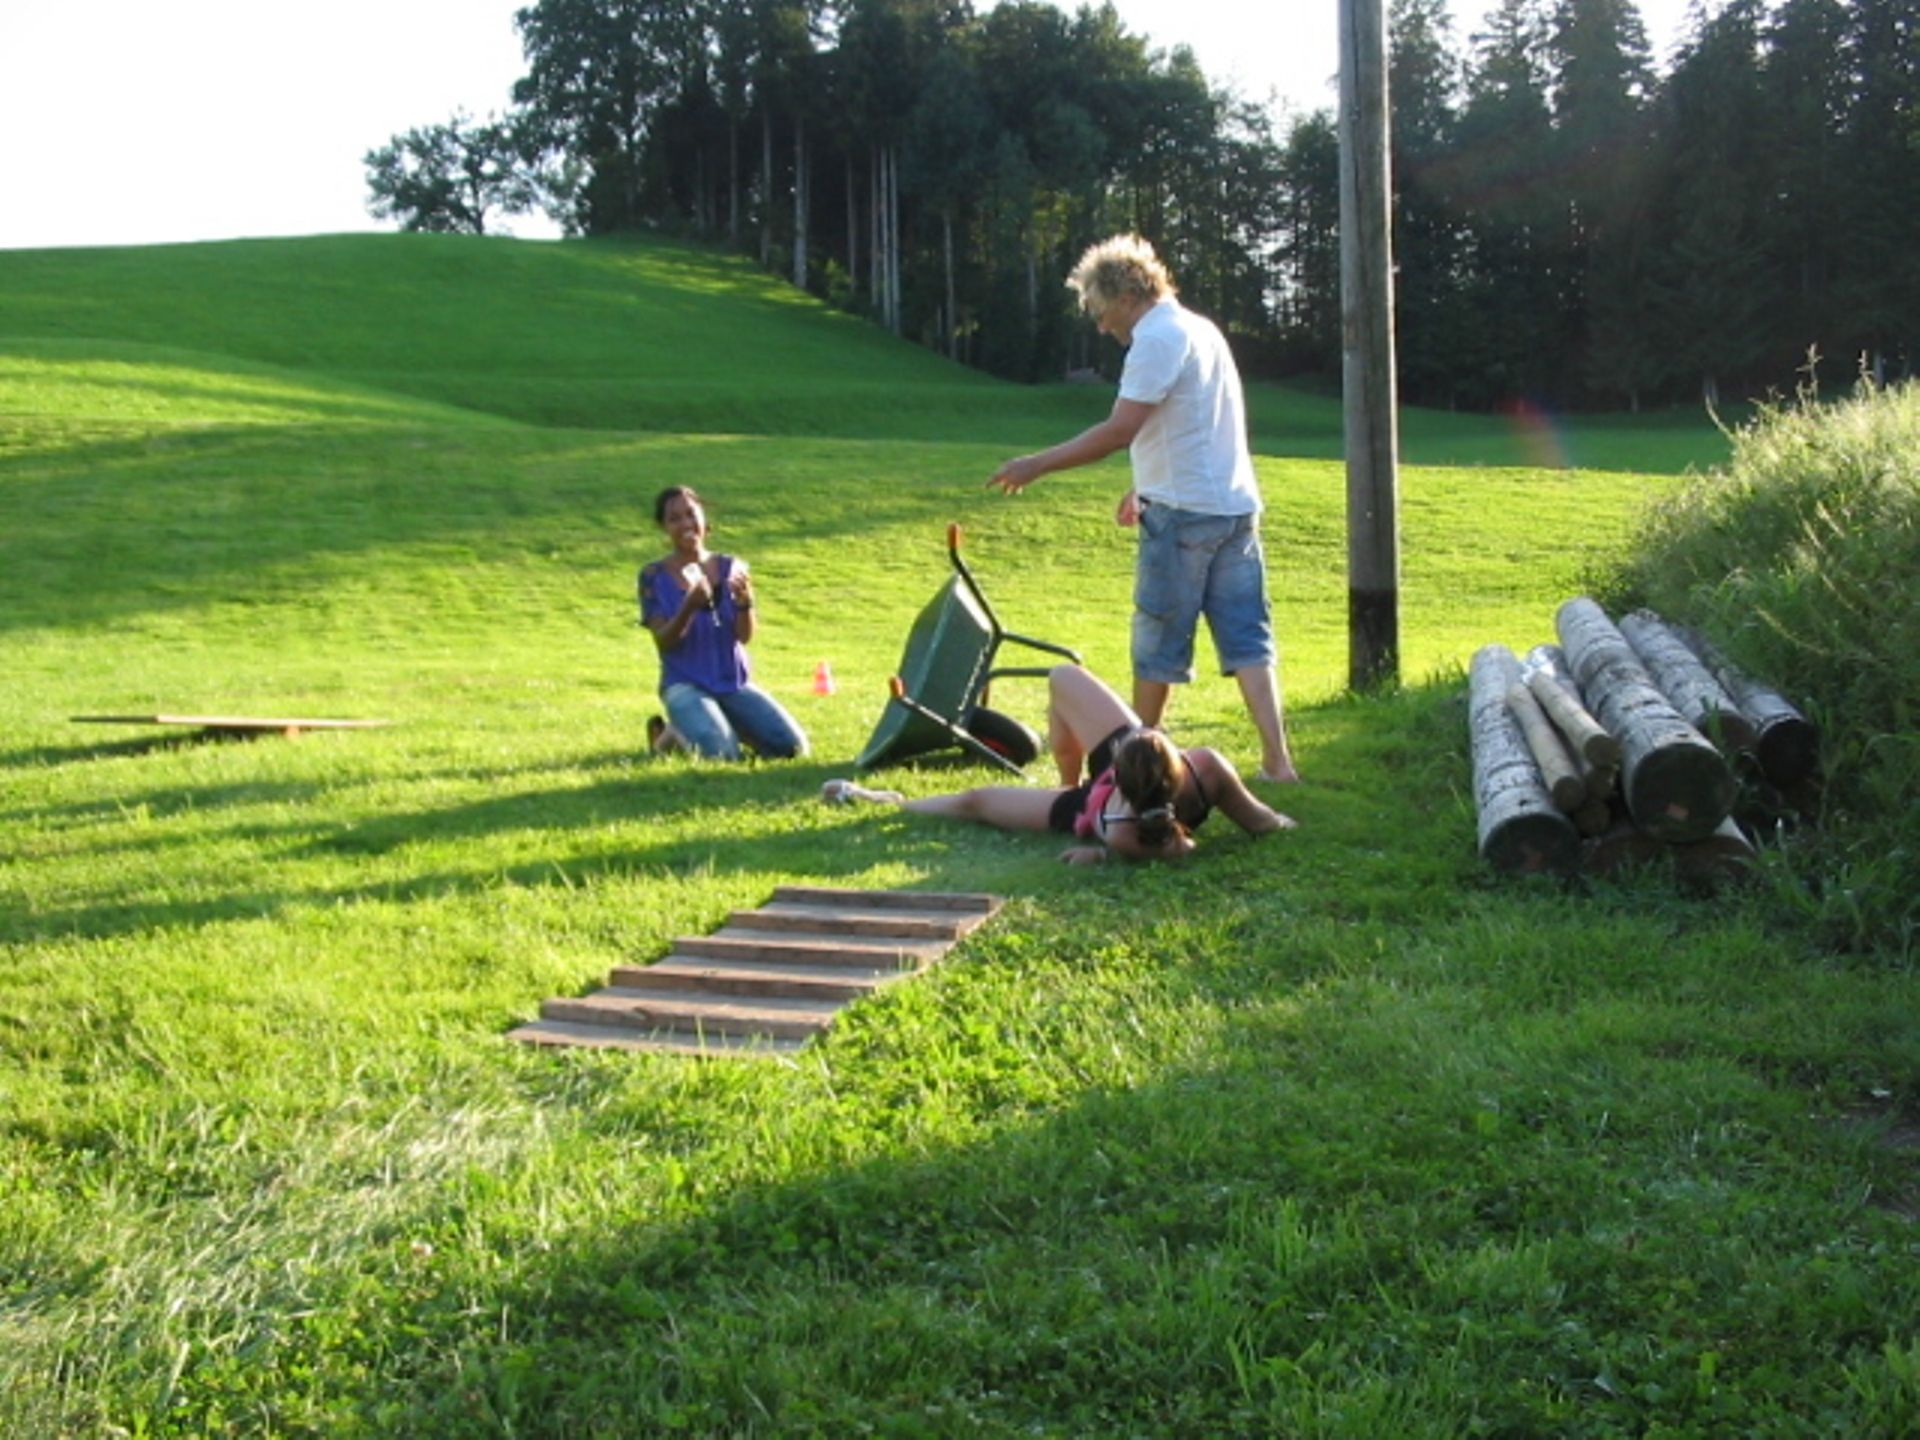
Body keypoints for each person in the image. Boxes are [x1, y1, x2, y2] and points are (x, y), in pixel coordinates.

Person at [987, 234, 1300, 784]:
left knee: (1158, 643)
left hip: (1182, 517)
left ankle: (1132, 770)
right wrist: (1143, 486)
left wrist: (1037, 464)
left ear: (1127, 294)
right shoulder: (1200, 329)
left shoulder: (1154, 339)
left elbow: (1118, 431)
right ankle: (1278, 762)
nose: (1101, 326)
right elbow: (1191, 427)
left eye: (1101, 311)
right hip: (1232, 508)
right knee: (1249, 639)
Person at [821, 664, 1293, 864]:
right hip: (1132, 774)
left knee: (975, 801)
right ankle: (1065, 775)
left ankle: (882, 801)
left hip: (1091, 800)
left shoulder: (1120, 825)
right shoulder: (1204, 766)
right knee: (1063, 677)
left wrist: (1100, 853)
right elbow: (1264, 821)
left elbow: (1185, 850)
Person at [637, 485, 808, 761]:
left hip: (732, 683)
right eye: (674, 518)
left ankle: (723, 725)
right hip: (684, 685)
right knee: (723, 756)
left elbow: (743, 636)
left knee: (793, 749)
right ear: (664, 527)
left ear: (704, 517)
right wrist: (689, 606)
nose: (686, 524)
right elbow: (664, 641)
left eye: (691, 514)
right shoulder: (653, 576)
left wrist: (744, 603)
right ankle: (671, 735)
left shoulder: (732, 567)